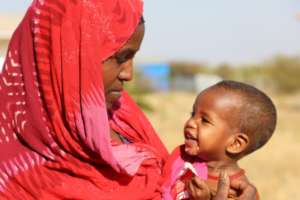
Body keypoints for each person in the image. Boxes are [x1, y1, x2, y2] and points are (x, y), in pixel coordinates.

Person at [0, 0, 258, 199]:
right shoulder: (12, 174)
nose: (129, 74)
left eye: (133, 57)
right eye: (120, 57)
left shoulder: (123, 119)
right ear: (65, 58)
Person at [161, 80, 277, 200]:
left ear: (235, 143)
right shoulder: (182, 159)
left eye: (205, 120)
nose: (190, 123)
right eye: (193, 114)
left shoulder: (236, 192)